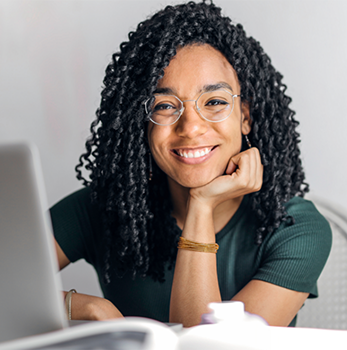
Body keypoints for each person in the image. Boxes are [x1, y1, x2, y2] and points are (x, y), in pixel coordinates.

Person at [50, 1, 332, 328]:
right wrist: (86, 307)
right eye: (166, 106)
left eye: (214, 102)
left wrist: (201, 205)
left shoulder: (294, 228)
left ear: (245, 116)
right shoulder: (104, 207)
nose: (191, 127)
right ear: (141, 122)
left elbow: (208, 347)